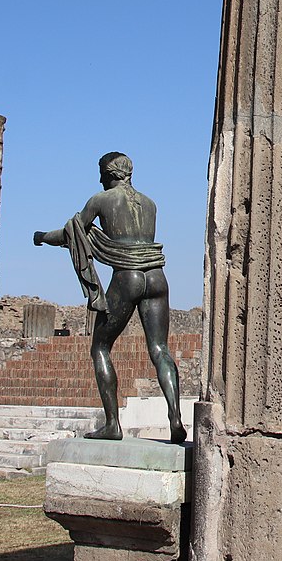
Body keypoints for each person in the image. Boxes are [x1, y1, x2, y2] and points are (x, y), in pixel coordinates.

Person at [34, 151, 186, 443]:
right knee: (160, 349)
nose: (99, 179)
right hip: (157, 276)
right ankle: (175, 416)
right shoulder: (150, 203)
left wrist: (41, 237)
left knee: (100, 347)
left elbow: (71, 234)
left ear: (107, 173)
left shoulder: (101, 200)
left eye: (101, 173)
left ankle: (112, 424)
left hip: (128, 276)